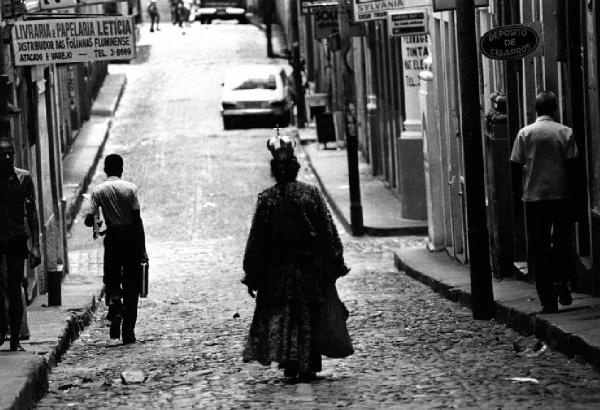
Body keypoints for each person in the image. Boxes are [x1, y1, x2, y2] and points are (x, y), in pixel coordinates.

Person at [242, 135, 349, 382]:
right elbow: (328, 231)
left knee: (285, 317)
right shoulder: (310, 194)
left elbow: (257, 239)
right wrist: (334, 262)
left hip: (278, 272)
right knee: (307, 316)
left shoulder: (267, 199)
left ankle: (291, 361)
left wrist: (252, 273)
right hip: (308, 270)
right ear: (294, 167)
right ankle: (307, 363)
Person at [510, 90, 578, 313]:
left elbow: (515, 164)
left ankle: (547, 298)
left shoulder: (525, 133)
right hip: (560, 196)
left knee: (539, 248)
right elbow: (572, 167)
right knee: (562, 244)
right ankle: (562, 283)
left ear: (536, 110)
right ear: (555, 109)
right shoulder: (565, 132)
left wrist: (516, 196)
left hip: (534, 198)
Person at [84, 154, 148, 345]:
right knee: (132, 284)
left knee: (112, 279)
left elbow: (89, 220)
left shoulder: (98, 191)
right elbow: (137, 220)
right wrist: (142, 249)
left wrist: (97, 223)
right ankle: (128, 332)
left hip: (112, 239)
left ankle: (116, 304)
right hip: (131, 240)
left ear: (105, 170)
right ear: (121, 169)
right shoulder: (130, 189)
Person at [0, 138, 41, 351]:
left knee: (16, 288)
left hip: (16, 238)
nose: (7, 157)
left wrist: (36, 245)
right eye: (2, 154)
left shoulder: (24, 178)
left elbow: (32, 212)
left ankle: (15, 338)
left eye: (10, 153)